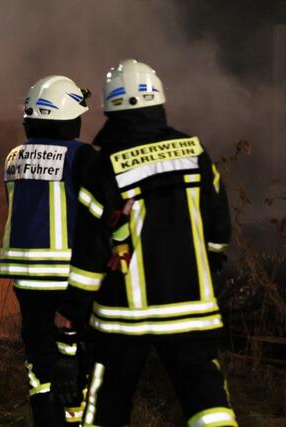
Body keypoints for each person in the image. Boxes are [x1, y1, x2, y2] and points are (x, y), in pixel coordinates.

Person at [58, 59, 237, 427]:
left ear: (110, 107)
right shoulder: (195, 152)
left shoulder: (105, 165)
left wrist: (72, 312)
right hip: (191, 307)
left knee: (107, 404)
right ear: (159, 101)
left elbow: (91, 252)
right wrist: (208, 263)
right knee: (207, 399)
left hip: (125, 316)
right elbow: (218, 227)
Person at [0, 75, 95, 426]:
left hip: (27, 280)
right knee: (79, 357)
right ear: (69, 116)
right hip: (69, 276)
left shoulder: (13, 157)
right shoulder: (81, 156)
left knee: (41, 360)